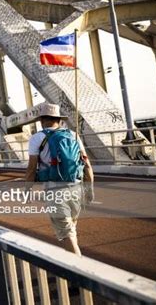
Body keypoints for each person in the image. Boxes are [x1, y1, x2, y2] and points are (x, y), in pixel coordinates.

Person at [25, 103, 94, 256]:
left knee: (66, 234)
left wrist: (27, 190)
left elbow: (31, 168)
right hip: (76, 188)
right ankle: (73, 266)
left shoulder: (37, 138)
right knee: (71, 230)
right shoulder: (73, 135)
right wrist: (89, 190)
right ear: (59, 119)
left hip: (55, 190)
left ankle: (80, 273)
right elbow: (87, 165)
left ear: (42, 120)